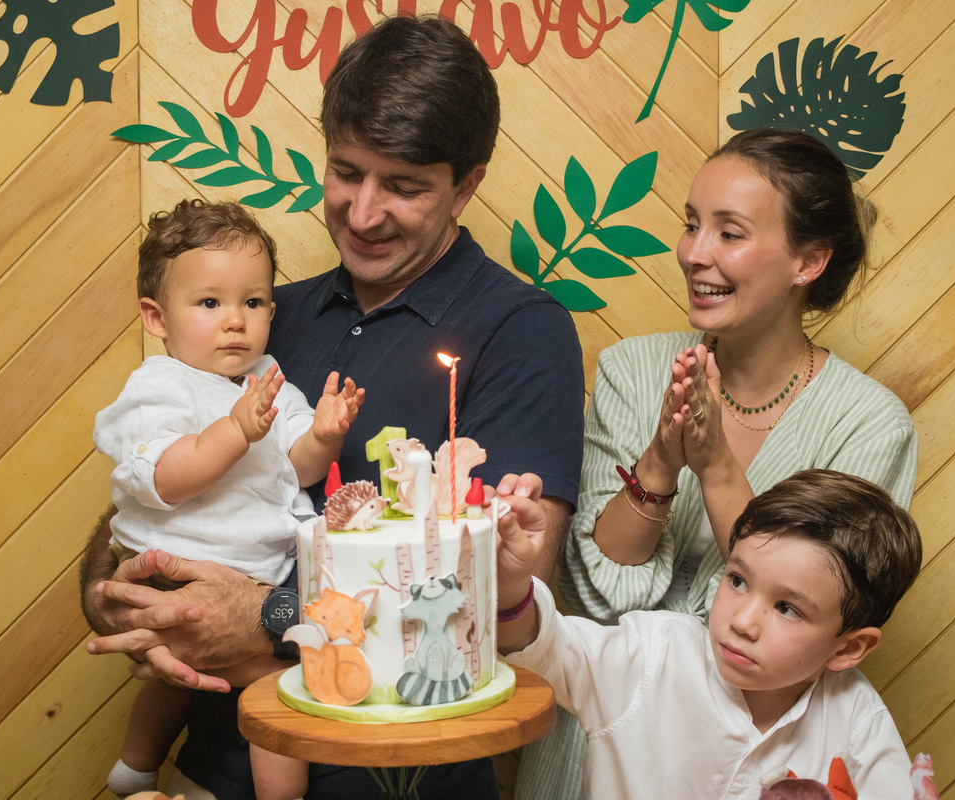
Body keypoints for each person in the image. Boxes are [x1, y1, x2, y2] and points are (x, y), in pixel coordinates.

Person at [79, 14, 585, 800]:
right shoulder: (261, 318)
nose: (363, 211)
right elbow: (154, 494)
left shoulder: (523, 331)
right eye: (347, 172)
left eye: (406, 186)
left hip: (398, 773)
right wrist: (119, 597)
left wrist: (269, 617)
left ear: (469, 183)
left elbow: (502, 595)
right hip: (213, 761)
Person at [518, 128, 919, 800]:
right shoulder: (634, 370)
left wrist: (716, 468)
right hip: (600, 748)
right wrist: (659, 463)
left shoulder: (872, 425)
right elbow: (596, 598)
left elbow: (814, 610)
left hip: (764, 765)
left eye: (729, 233)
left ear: (808, 260)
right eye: (691, 224)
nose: (693, 253)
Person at [94, 199, 365, 799]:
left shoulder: (269, 381)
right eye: (210, 303)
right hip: (173, 572)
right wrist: (236, 430)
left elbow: (297, 468)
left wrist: (324, 433)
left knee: (178, 681)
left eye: (253, 302)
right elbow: (166, 475)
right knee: (273, 686)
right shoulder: (160, 386)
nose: (235, 321)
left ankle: (135, 769)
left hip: (250, 579)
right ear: (156, 317)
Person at [496, 469, 922, 798]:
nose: (742, 621)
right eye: (737, 580)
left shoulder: (858, 722)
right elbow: (544, 649)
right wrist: (512, 585)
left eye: (787, 608)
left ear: (850, 648)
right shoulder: (654, 654)